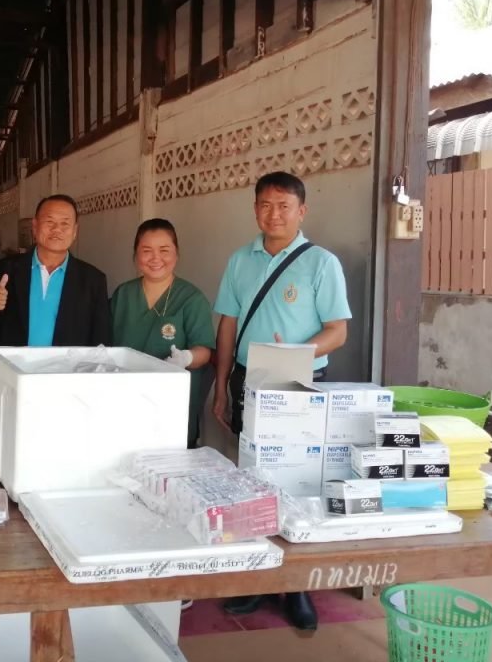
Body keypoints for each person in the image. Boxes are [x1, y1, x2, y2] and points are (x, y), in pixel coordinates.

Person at [212, 171, 351, 631]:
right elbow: (228, 325)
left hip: (299, 383)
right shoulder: (239, 260)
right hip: (248, 380)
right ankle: (257, 575)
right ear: (255, 210)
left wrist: (294, 354)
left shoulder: (322, 263)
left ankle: (297, 587)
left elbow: (337, 331)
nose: (274, 214)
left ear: (301, 211)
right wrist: (220, 384)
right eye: (266, 205)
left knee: (297, 481)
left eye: (284, 206)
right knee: (253, 478)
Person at [110, 219, 215, 449]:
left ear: (177, 254)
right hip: (126, 403)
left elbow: (204, 350)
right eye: (146, 251)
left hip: (172, 408)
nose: (155, 258)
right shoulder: (123, 295)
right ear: (135, 255)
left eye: (164, 250)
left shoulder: (191, 298)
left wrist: (186, 358)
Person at [0, 195, 110, 347]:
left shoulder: (93, 281)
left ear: (75, 231)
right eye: (49, 222)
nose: (57, 229)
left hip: (67, 363)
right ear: (35, 226)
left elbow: (101, 344)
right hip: (13, 363)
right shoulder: (4, 271)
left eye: (65, 223)